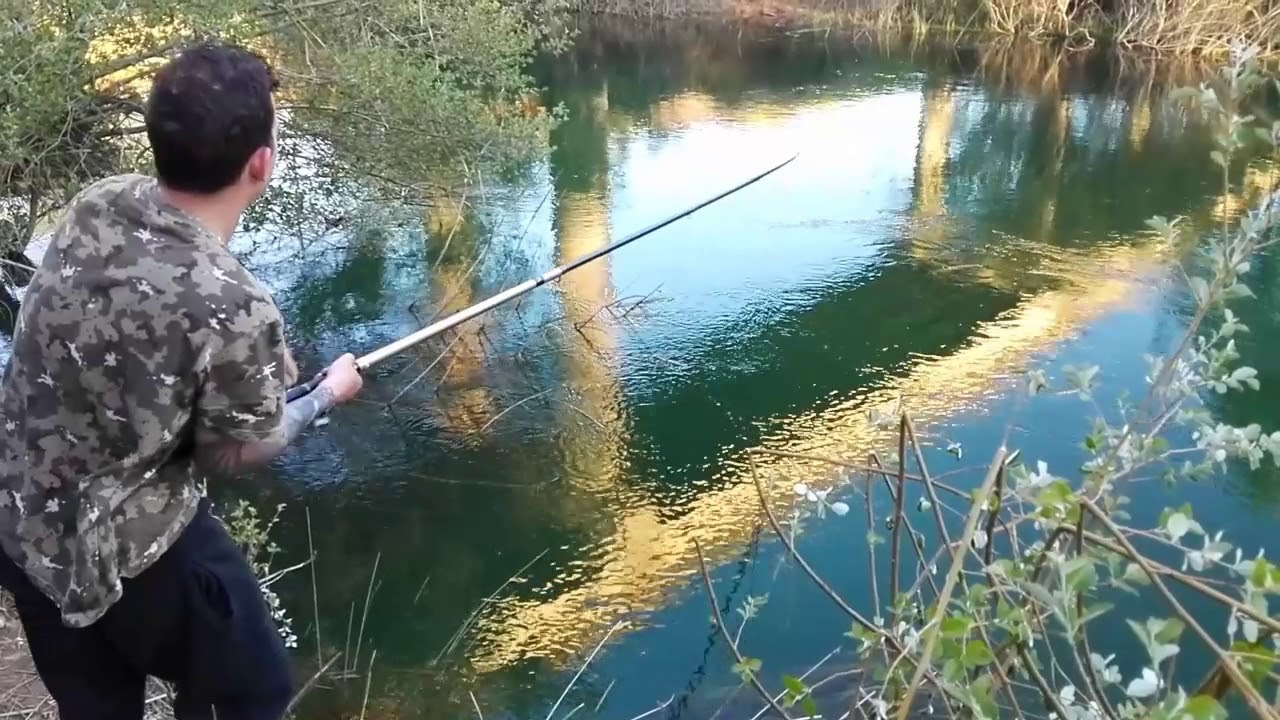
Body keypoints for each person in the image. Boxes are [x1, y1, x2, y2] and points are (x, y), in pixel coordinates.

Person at [0, 42, 363, 719]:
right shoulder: (235, 304)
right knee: (254, 693)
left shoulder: (97, 204)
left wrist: (244, 373)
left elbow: (142, 336)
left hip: (24, 527)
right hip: (127, 550)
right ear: (262, 162)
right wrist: (321, 396)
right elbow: (235, 451)